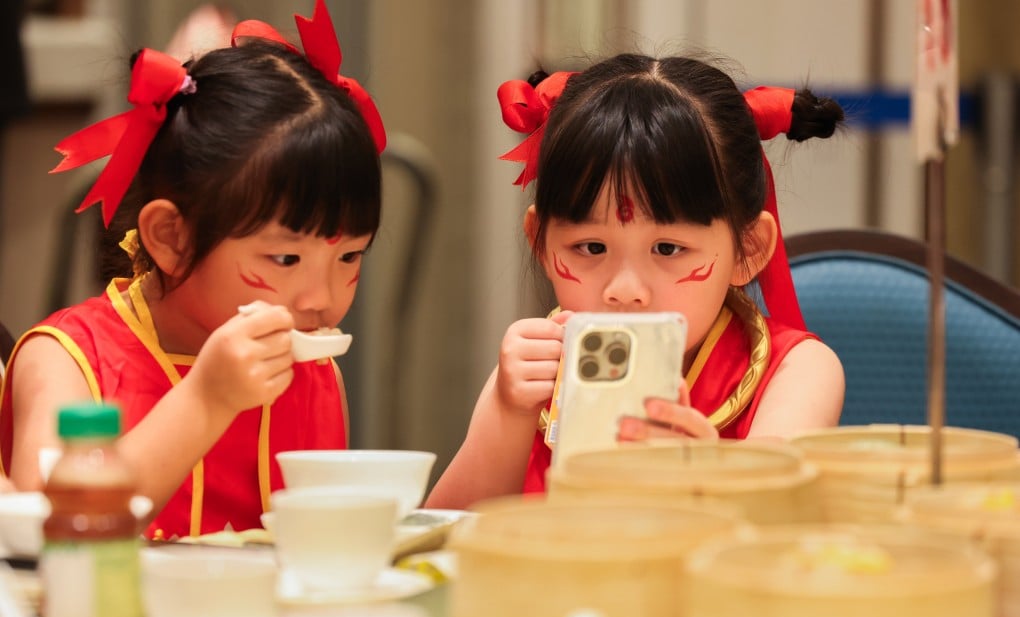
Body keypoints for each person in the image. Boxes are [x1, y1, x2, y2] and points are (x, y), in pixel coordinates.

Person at [0, 0, 386, 539]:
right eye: (286, 259)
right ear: (172, 239)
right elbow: (46, 538)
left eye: (349, 256)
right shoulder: (68, 362)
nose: (319, 299)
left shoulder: (314, 378)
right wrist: (206, 400)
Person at [426, 53, 845, 510]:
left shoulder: (798, 372)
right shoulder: (531, 375)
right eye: (590, 247)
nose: (624, 289)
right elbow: (441, 538)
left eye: (667, 249)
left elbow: (770, 538)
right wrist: (507, 412)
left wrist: (701, 477)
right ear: (541, 241)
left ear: (750, 250)